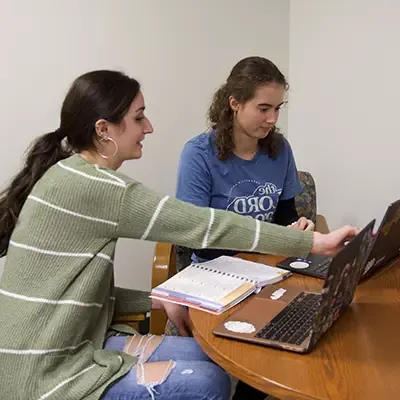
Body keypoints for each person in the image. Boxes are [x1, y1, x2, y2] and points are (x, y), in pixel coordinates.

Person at [0, 70, 358, 400]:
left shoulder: (70, 175)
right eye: (139, 117)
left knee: (220, 354)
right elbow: (205, 225)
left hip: (75, 344)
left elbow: (79, 293)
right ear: (103, 129)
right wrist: (314, 242)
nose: (149, 127)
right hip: (45, 373)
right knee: (208, 382)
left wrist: (157, 299)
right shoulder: (96, 187)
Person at [176, 56, 314, 265]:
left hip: (268, 265)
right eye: (263, 109)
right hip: (215, 269)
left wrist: (296, 228)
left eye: (277, 108)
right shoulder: (198, 154)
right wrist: (272, 240)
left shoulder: (281, 148)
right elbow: (197, 238)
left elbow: (285, 215)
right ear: (235, 104)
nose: (273, 119)